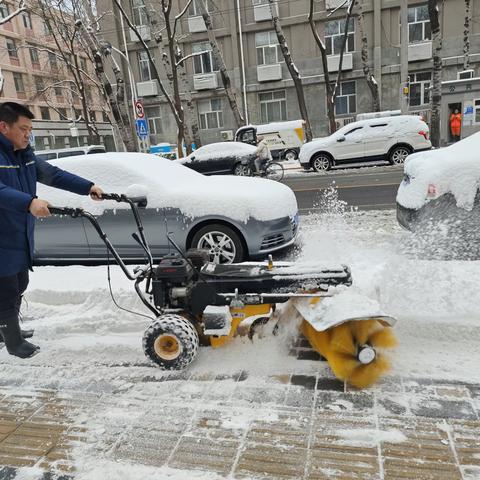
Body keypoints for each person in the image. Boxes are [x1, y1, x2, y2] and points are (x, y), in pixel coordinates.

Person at [0, 102, 104, 359]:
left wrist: (87, 187)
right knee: (6, 289)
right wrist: (29, 203)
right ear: (3, 127)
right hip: (1, 236)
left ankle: (8, 330)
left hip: (18, 234)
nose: (28, 134)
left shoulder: (24, 156)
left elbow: (54, 175)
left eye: (30, 129)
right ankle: (12, 342)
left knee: (20, 282)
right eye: (23, 129)